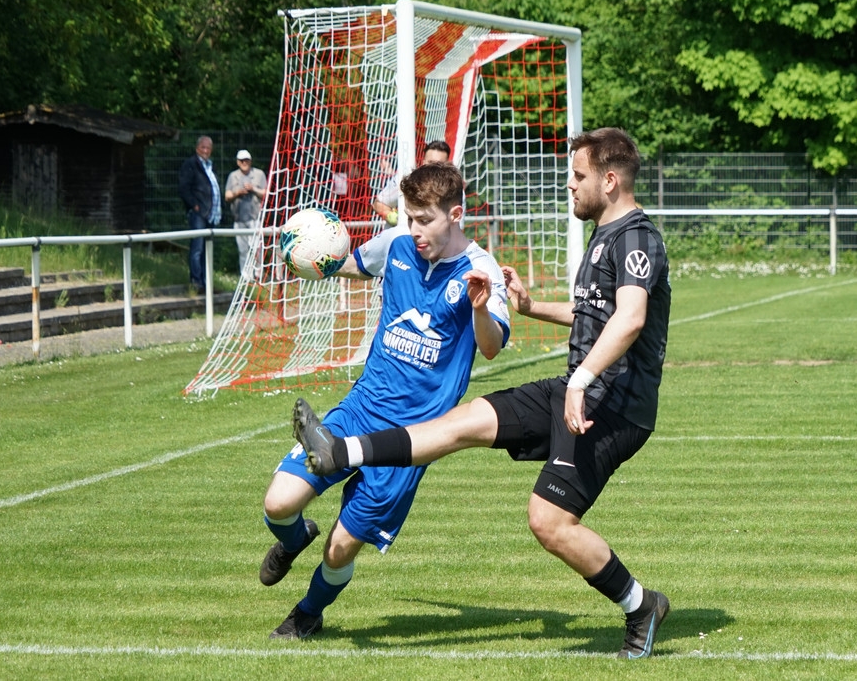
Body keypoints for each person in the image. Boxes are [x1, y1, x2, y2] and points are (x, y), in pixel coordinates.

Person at [295, 127, 673, 659]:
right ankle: (340, 451)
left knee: (548, 521)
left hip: (613, 408)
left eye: (578, 175)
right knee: (463, 421)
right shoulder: (605, 235)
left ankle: (641, 605)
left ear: (609, 181)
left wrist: (581, 380)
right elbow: (595, 314)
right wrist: (531, 308)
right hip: (578, 390)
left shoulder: (636, 238)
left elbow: (630, 319)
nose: (569, 184)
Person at [261, 161, 510, 640]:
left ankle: (307, 613)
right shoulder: (397, 243)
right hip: (360, 409)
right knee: (278, 503)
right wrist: (314, 258)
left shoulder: (482, 271)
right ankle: (293, 541)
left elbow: (492, 346)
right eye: (409, 217)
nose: (414, 229)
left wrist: (479, 309)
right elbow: (356, 264)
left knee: (340, 550)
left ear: (455, 215)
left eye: (424, 220)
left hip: (410, 439)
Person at [372, 140, 452, 226]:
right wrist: (395, 219)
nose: (434, 167)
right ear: (424, 162)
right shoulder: (407, 180)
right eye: (431, 162)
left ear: (447, 165)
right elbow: (379, 204)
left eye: (439, 164)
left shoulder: (454, 188)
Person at [178, 135, 221, 293]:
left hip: (211, 214)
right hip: (198, 213)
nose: (206, 150)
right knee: (197, 248)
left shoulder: (211, 166)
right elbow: (184, 188)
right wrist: (194, 205)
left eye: (208, 148)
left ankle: (206, 282)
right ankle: (196, 281)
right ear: (197, 149)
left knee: (207, 249)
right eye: (203, 147)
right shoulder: (191, 164)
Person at [224, 149, 267, 274]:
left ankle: (258, 275)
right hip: (239, 219)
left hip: (255, 218)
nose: (244, 162)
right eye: (242, 160)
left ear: (250, 161)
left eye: (247, 160)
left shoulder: (259, 174)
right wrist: (237, 193)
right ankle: (246, 276)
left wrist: (253, 189)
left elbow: (266, 193)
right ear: (238, 162)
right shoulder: (233, 176)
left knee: (256, 248)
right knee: (242, 250)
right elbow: (227, 196)